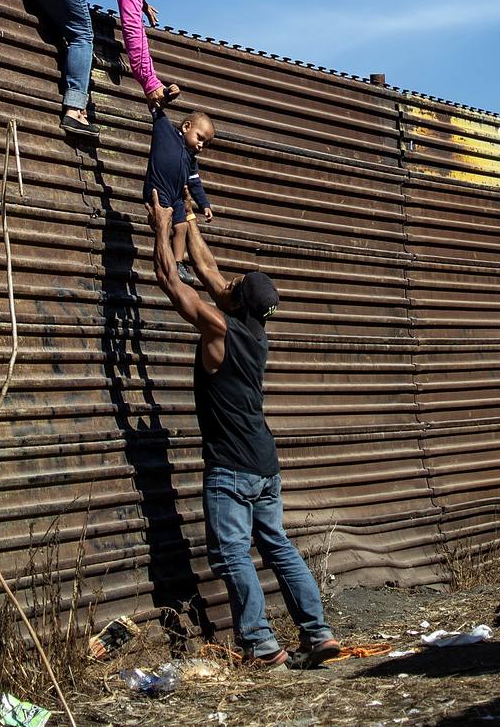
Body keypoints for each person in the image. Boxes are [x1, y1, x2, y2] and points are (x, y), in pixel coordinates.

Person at [145, 189, 341, 669]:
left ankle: (259, 645)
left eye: (237, 282)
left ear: (237, 302)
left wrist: (158, 225)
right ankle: (318, 634)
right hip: (265, 465)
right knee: (276, 544)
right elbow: (210, 273)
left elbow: (172, 282)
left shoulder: (219, 329)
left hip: (232, 468)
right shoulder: (252, 330)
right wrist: (187, 219)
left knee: (233, 553)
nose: (227, 279)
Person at [0, 0, 181, 139]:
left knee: (53, 20)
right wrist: (150, 83)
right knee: (83, 34)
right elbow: (133, 28)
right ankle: (75, 110)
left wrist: (140, 2)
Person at [143, 110, 215, 285]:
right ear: (186, 126)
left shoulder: (191, 160)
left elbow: (195, 184)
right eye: (199, 138)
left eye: (204, 143)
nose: (200, 146)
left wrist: (204, 204)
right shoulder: (166, 133)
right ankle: (163, 259)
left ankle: (178, 263)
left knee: (182, 226)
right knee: (164, 224)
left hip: (176, 196)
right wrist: (164, 95)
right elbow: (157, 110)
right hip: (158, 190)